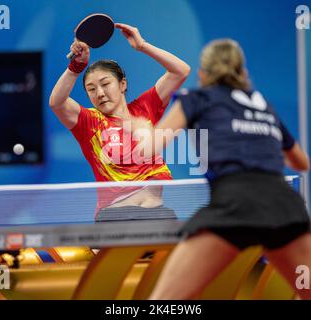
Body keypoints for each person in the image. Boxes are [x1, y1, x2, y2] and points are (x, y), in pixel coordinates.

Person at [131, 39, 311, 299]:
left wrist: (140, 128)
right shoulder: (262, 105)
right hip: (284, 210)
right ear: (243, 73)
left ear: (203, 75)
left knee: (164, 302)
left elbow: (148, 149)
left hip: (233, 207)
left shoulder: (197, 98)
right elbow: (301, 163)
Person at [49, 23, 190, 221]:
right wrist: (75, 68)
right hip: (117, 217)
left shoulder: (145, 108)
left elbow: (180, 71)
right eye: (91, 89)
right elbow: (57, 103)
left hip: (158, 215)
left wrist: (143, 46)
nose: (100, 93)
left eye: (105, 84)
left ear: (122, 84)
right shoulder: (90, 122)